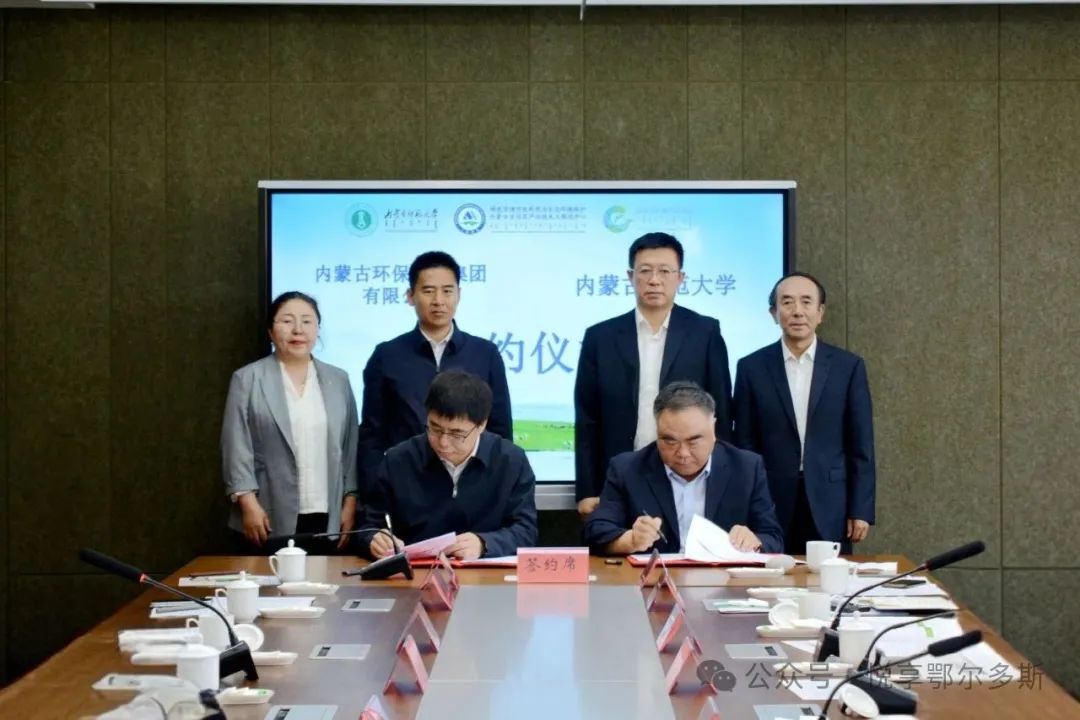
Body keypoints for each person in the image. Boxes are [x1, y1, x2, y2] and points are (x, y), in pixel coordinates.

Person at [574, 232, 732, 517]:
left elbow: (720, 411)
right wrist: (586, 489)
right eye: (645, 271)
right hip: (620, 473)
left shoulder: (704, 332)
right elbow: (587, 419)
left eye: (665, 271)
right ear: (630, 276)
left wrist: (722, 483)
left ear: (680, 278)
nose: (654, 280)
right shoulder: (600, 337)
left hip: (688, 473)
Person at [732, 272, 875, 554]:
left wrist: (860, 509)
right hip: (770, 500)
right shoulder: (751, 367)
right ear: (774, 313)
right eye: (787, 302)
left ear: (820, 312)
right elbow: (744, 443)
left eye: (806, 302)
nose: (797, 311)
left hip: (831, 500)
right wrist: (745, 505)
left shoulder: (848, 367)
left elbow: (861, 444)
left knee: (828, 577)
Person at [358, 251, 512, 497]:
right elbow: (372, 435)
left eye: (447, 291)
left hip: (472, 489)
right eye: (428, 291)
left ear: (459, 294)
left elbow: (500, 430)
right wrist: (374, 495)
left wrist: (497, 490)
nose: (438, 300)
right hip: (405, 488)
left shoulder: (485, 354)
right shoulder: (387, 356)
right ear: (410, 296)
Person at [221, 291, 359, 554]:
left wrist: (350, 501)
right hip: (266, 513)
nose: (298, 330)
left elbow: (350, 447)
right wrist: (248, 503)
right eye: (287, 321)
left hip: (326, 512)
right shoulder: (247, 379)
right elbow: (235, 446)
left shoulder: (338, 380)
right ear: (271, 332)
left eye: (307, 321)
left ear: (317, 330)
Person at [583, 381, 782, 555]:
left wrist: (754, 541)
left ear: (713, 428)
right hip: (656, 580)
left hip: (722, 581)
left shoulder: (746, 468)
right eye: (669, 441)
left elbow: (773, 538)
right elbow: (596, 532)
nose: (683, 453)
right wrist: (631, 540)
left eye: (693, 441)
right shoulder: (627, 469)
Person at [358, 369, 537, 560]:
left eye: (456, 434)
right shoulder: (398, 460)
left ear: (481, 425)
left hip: (484, 572)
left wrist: (484, 543)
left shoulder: (511, 461)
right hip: (415, 573)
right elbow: (367, 526)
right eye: (435, 428)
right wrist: (373, 540)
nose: (443, 442)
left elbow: (526, 531)